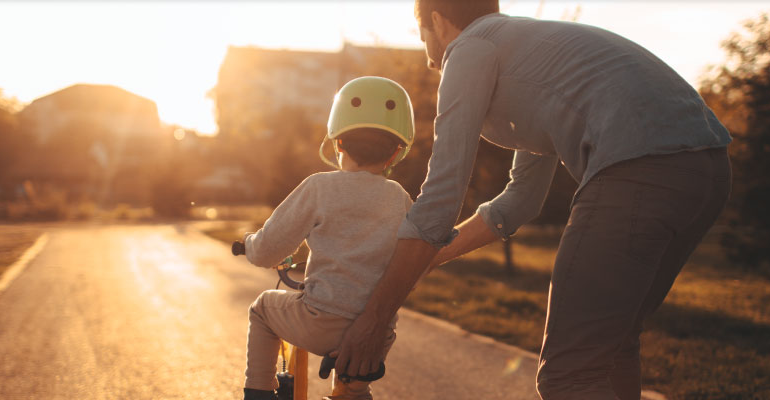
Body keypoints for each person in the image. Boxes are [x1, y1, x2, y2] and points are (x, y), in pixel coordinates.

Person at [332, 1, 733, 399]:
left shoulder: (470, 48)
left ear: (437, 21)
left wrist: (374, 317)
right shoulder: (529, 50)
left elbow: (440, 196)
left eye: (423, 38)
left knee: (567, 375)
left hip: (639, 166)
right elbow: (521, 201)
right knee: (611, 348)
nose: (427, 60)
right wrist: (427, 259)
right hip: (708, 168)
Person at [238, 77, 417, 400]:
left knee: (262, 309)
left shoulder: (320, 187)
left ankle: (260, 392)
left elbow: (267, 250)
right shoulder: (400, 197)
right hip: (378, 333)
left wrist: (250, 244)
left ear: (338, 143)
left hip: (320, 321)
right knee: (353, 392)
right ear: (395, 152)